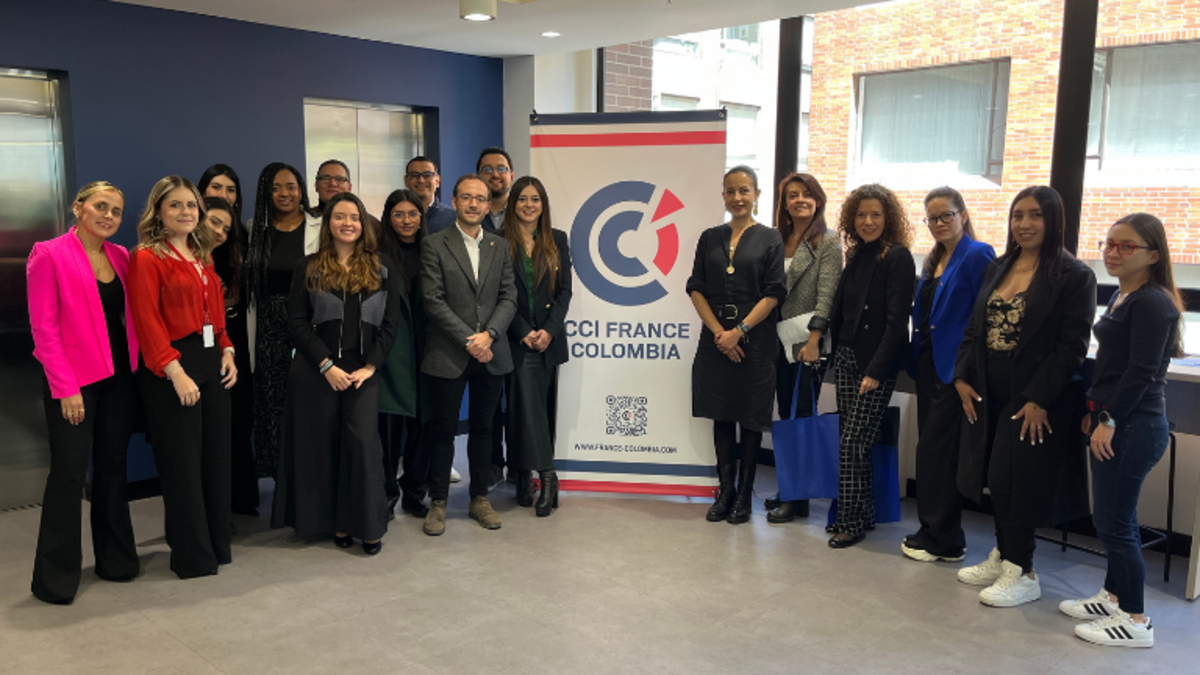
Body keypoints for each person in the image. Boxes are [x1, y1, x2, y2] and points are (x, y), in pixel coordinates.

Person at [954, 186, 1096, 607]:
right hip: (989, 389)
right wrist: (962, 376)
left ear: (1053, 221)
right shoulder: (999, 266)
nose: (1025, 224)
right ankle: (1004, 555)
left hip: (1034, 398)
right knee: (995, 478)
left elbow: (1072, 347)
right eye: (1018, 215)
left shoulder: (1074, 275)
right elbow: (974, 329)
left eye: (1035, 215)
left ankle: (1023, 570)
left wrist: (1039, 399)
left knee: (1014, 482)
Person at [1059, 213, 1182, 648]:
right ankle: (1112, 597)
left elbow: (1140, 373)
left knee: (1114, 524)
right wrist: (1096, 411)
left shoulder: (1151, 303)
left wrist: (1108, 420)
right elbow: (1114, 366)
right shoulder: (1124, 295)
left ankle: (1135, 620)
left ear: (1153, 255)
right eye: (1109, 244)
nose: (1113, 252)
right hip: (1118, 421)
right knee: (1115, 518)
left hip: (1134, 427)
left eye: (1126, 246)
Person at [27, 182, 141, 604]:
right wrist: (65, 388)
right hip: (73, 383)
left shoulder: (121, 256)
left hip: (119, 380)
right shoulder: (48, 253)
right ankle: (54, 579)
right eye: (101, 206)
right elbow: (44, 328)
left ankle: (117, 561)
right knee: (69, 474)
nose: (109, 216)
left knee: (112, 469)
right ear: (79, 207)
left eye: (116, 210)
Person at [271, 192, 400, 555]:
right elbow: (297, 321)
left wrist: (370, 367)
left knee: (362, 445)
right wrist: (326, 365)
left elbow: (391, 324)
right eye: (339, 217)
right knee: (323, 446)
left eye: (354, 217)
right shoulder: (309, 266)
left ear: (363, 224)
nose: (348, 223)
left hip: (363, 371)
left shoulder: (382, 267)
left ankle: (368, 526)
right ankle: (336, 523)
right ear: (328, 224)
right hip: (317, 369)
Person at [128, 175, 237, 579]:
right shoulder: (147, 258)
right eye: (175, 204)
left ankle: (216, 544)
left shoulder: (201, 255)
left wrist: (227, 350)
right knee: (183, 468)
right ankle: (193, 556)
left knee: (215, 461)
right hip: (172, 367)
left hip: (211, 362)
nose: (186, 212)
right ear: (158, 211)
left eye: (191, 205)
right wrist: (174, 371)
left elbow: (215, 314)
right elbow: (147, 321)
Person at [900, 187, 995, 562]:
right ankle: (939, 532)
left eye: (946, 215)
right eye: (932, 218)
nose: (939, 223)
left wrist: (964, 372)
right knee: (932, 452)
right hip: (928, 366)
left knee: (939, 455)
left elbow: (982, 318)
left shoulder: (977, 254)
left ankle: (943, 539)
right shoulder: (935, 257)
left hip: (955, 371)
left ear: (963, 216)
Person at [419, 174, 517, 535]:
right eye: (466, 197)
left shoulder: (499, 246)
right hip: (449, 353)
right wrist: (469, 340)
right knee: (443, 430)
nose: (473, 204)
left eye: (479, 199)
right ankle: (439, 503)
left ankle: (479, 499)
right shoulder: (434, 244)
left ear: (488, 206)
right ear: (455, 202)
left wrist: (489, 336)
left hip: (491, 353)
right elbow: (433, 300)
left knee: (484, 429)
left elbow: (509, 296)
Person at [688, 165, 786, 525]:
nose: (737, 197)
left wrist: (739, 331)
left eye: (744, 190)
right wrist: (721, 334)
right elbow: (696, 287)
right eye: (730, 191)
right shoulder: (709, 237)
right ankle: (725, 491)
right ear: (723, 196)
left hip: (756, 340)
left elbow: (774, 293)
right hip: (715, 339)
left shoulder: (770, 238)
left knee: (751, 418)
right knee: (722, 415)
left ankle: (745, 495)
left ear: (757, 195)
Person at [826, 183, 916, 548]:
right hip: (847, 356)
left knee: (852, 443)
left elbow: (897, 323)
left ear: (888, 218)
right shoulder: (857, 253)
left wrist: (876, 371)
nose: (868, 221)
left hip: (874, 365)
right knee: (856, 442)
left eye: (876, 214)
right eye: (861, 215)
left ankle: (849, 522)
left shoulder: (898, 257)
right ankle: (862, 514)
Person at [764, 172, 842, 523]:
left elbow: (828, 294)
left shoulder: (828, 241)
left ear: (818, 199)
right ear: (784, 203)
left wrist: (814, 340)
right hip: (775, 340)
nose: (799, 200)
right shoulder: (776, 239)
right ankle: (792, 489)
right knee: (787, 414)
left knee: (802, 417)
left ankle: (796, 495)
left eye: (806, 194)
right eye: (792, 195)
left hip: (806, 342)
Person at [245, 163, 321, 479]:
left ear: (301, 189)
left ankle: (309, 480)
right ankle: (280, 481)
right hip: (268, 332)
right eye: (275, 188)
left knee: (309, 402)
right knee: (273, 407)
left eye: (291, 186)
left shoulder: (320, 227)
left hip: (307, 325)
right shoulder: (255, 230)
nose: (284, 193)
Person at [502, 176, 572, 516]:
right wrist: (523, 331)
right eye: (522, 199)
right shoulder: (498, 240)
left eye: (535, 199)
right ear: (512, 203)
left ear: (543, 204)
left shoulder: (557, 239)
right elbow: (500, 294)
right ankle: (546, 476)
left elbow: (565, 291)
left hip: (548, 341)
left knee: (537, 410)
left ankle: (525, 475)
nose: (528, 205)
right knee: (524, 408)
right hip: (517, 340)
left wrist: (549, 331)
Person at [376, 188, 433, 518]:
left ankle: (415, 490)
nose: (407, 220)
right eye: (399, 214)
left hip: (428, 347)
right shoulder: (375, 255)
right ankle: (386, 492)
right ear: (388, 218)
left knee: (423, 425)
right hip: (391, 348)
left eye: (413, 214)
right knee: (388, 426)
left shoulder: (434, 250)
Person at [202, 193, 257, 518]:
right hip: (193, 349)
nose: (220, 232)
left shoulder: (234, 253)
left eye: (225, 227)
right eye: (213, 222)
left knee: (237, 421)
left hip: (231, 339)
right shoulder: (175, 259)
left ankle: (239, 498)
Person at [478, 147, 515, 489]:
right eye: (487, 169)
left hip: (519, 324)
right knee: (487, 405)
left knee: (518, 400)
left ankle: (520, 465)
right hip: (481, 329)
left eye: (501, 168)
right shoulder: (470, 218)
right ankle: (492, 465)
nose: (495, 174)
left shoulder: (525, 213)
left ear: (511, 175)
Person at [313, 159, 381, 235]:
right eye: (325, 178)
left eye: (340, 179)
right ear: (316, 186)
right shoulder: (306, 220)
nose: (333, 184)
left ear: (349, 187)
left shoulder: (372, 225)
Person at [405, 156, 457, 234]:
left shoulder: (454, 219)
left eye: (427, 175)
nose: (421, 180)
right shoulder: (396, 218)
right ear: (406, 181)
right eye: (414, 175)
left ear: (437, 181)